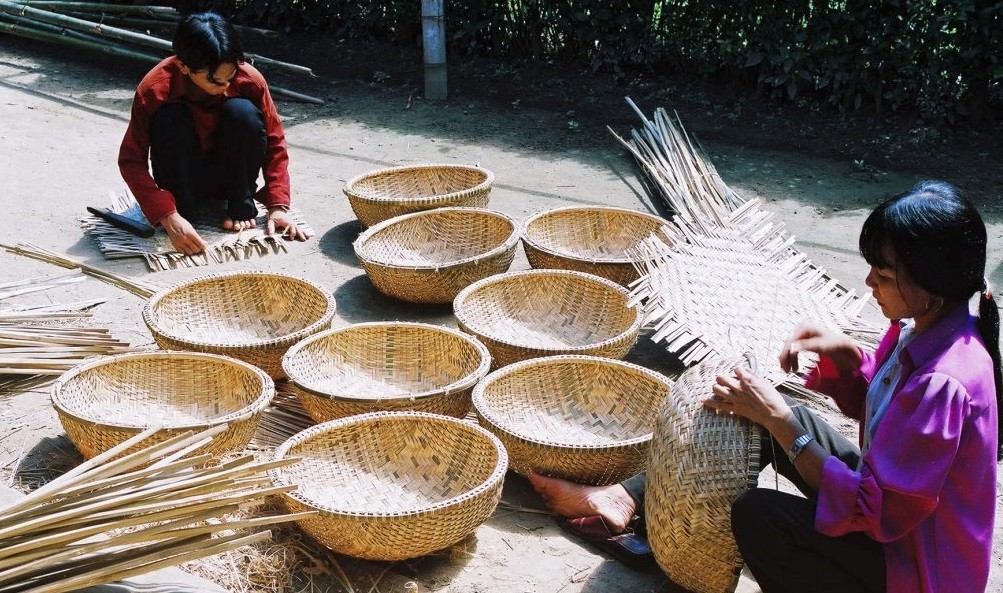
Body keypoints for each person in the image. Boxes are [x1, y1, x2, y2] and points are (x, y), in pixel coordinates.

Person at [530, 180, 1000, 593]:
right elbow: (887, 420)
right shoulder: (925, 326)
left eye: (884, 275)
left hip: (914, 569)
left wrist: (780, 422)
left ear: (931, 285)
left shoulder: (945, 383)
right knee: (770, 413)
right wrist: (847, 359)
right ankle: (626, 496)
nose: (869, 283)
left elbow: (877, 513)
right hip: (897, 522)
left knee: (760, 514)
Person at [118, 11, 311, 256]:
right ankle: (184, 211)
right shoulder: (154, 89)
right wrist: (167, 216)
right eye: (215, 81)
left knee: (242, 112)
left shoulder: (249, 80)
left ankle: (239, 203)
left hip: (232, 177)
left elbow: (275, 143)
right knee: (170, 118)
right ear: (183, 66)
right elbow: (131, 160)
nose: (225, 87)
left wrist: (278, 205)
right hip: (180, 177)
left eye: (229, 78)